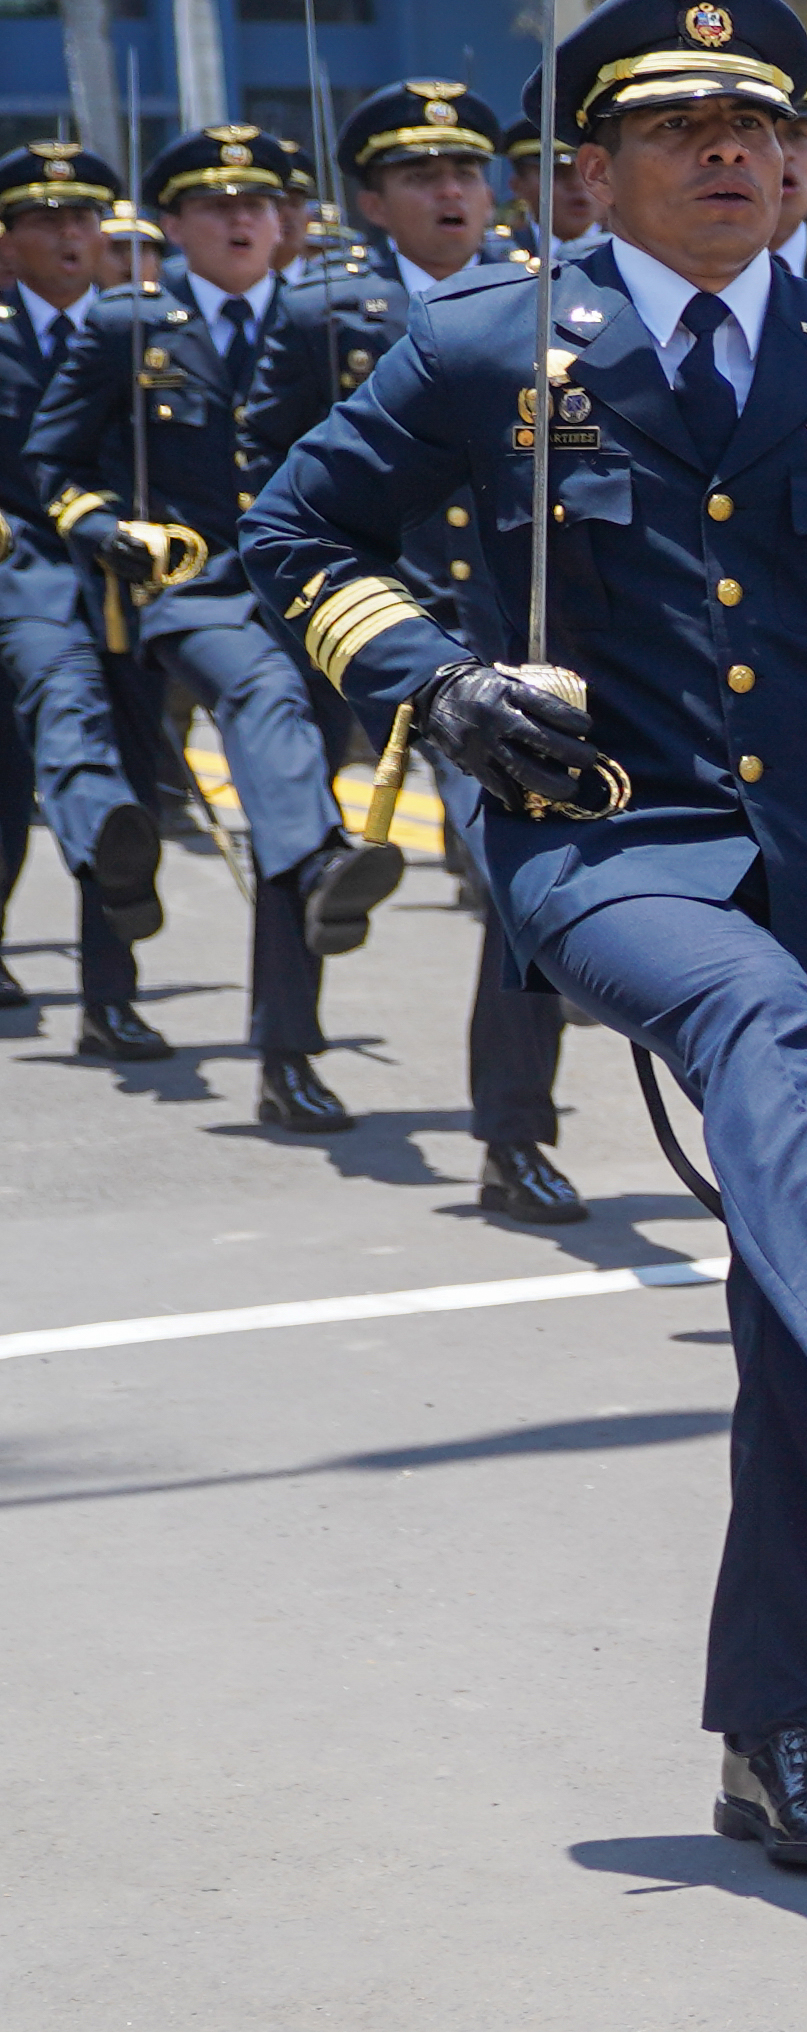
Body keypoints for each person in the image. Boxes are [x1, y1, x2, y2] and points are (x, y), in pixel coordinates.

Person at [244, 0, 807, 1873]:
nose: (732, 153)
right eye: (678, 128)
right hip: (613, 852)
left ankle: (780, 1726)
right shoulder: (490, 346)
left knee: (800, 1325)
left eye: (766, 127)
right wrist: (435, 677)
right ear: (593, 169)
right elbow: (288, 539)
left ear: (806, 160)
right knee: (764, 1045)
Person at [28, 122, 403, 1129]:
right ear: (171, 224)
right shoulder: (125, 323)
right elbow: (51, 466)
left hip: (306, 585)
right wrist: (108, 527)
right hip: (177, 587)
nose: (239, 220)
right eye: (212, 205)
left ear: (287, 219)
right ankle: (110, 995)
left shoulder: (336, 318)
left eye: (258, 203)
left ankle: (288, 1052)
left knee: (292, 778)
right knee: (150, 774)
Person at [253, 83, 583, 1219]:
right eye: (420, 178)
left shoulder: (544, 304)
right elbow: (276, 480)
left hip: (488, 632)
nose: (452, 192)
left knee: (514, 878)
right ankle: (288, 1047)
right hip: (359, 616)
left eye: (467, 172)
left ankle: (514, 1134)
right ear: (372, 200)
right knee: (302, 824)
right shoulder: (319, 311)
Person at [0, 138, 162, 1049]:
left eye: (81, 218)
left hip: (120, 586)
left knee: (126, 785)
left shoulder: (145, 331)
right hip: (13, 584)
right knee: (3, 786)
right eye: (41, 221)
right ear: (6, 243)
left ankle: (109, 1000)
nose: (67, 235)